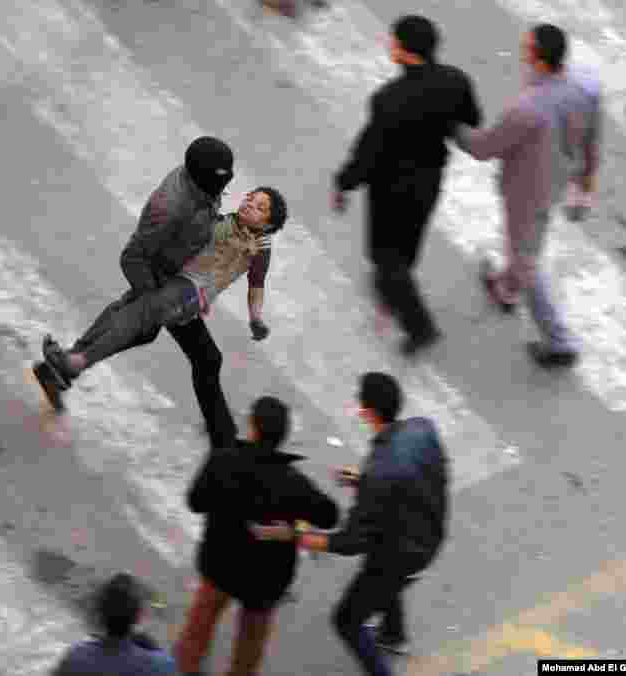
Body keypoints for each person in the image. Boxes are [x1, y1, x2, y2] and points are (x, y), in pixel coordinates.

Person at [37, 186, 286, 444]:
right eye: (249, 198)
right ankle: (73, 362)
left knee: (151, 329)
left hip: (186, 293)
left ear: (267, 226)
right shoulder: (222, 222)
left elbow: (257, 285)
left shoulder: (260, 247)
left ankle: (69, 364)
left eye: (259, 207)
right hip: (180, 286)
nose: (248, 204)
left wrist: (255, 318)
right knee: (142, 321)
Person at [33, 136, 237, 442]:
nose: (223, 189)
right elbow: (132, 257)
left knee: (140, 325)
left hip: (180, 273)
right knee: (205, 357)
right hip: (168, 282)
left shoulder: (201, 188)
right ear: (202, 178)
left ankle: (66, 366)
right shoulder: (169, 207)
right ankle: (223, 437)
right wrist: (155, 298)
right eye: (219, 181)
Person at [251, 372, 448, 676]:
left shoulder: (380, 471)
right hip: (427, 532)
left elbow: (350, 541)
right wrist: (362, 481)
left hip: (401, 551)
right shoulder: (423, 428)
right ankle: (393, 635)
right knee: (383, 577)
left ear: (368, 413)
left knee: (346, 620)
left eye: (360, 402)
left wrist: (299, 535)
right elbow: (417, 480)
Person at [332, 15, 482, 357]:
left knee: (385, 256)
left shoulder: (388, 98)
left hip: (390, 186)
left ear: (404, 51)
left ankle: (420, 326)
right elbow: (471, 120)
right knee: (409, 242)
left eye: (392, 41)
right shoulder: (457, 80)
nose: (389, 45)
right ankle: (394, 281)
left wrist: (344, 183)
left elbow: (370, 151)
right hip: (429, 179)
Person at [454, 24, 600, 368]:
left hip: (526, 193)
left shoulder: (526, 109)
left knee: (526, 260)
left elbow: (482, 147)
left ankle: (559, 341)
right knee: (524, 246)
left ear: (537, 57)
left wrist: (451, 125)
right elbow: (593, 138)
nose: (522, 51)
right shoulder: (584, 87)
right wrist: (586, 183)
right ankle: (506, 288)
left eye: (526, 47)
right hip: (557, 181)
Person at [175, 396, 340, 676]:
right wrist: (296, 528)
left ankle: (184, 670)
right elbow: (330, 516)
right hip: (266, 580)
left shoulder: (223, 459)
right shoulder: (294, 484)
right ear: (282, 438)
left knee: (199, 628)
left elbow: (195, 503)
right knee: (249, 647)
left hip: (220, 562)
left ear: (252, 428)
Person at [52, 572, 177, 676]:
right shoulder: (162, 666)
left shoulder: (75, 659)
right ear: (138, 616)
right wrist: (155, 651)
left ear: (99, 613)